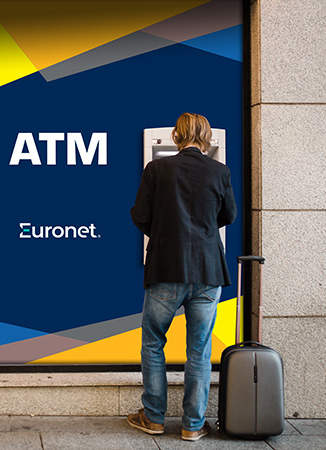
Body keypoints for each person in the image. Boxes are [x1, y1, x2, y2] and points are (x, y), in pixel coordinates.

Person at [128, 113, 237, 441]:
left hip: (166, 269)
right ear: (205, 138)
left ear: (176, 136)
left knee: (152, 342)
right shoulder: (220, 171)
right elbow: (228, 215)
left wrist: (162, 235)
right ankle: (192, 424)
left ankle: (154, 418)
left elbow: (139, 216)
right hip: (207, 271)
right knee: (199, 351)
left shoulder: (157, 169)